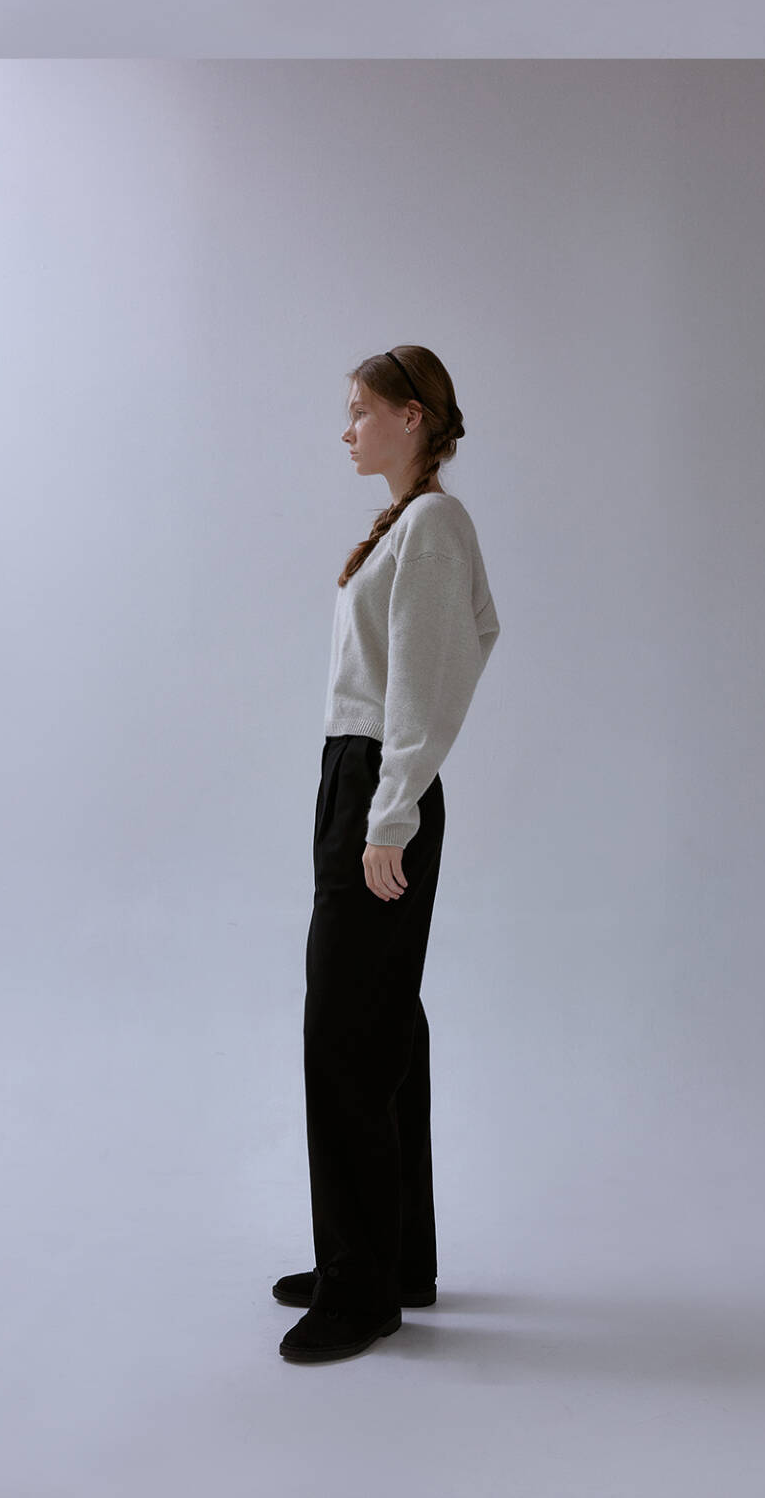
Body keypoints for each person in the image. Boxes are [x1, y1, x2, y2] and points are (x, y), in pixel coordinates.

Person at [274, 344, 499, 1365]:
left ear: (413, 417)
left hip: (378, 786)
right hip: (360, 777)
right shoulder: (410, 525)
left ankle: (360, 1290)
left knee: (345, 1030)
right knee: (382, 1021)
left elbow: (429, 677)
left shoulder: (435, 525)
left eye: (362, 410)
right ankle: (391, 1260)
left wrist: (390, 811)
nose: (348, 429)